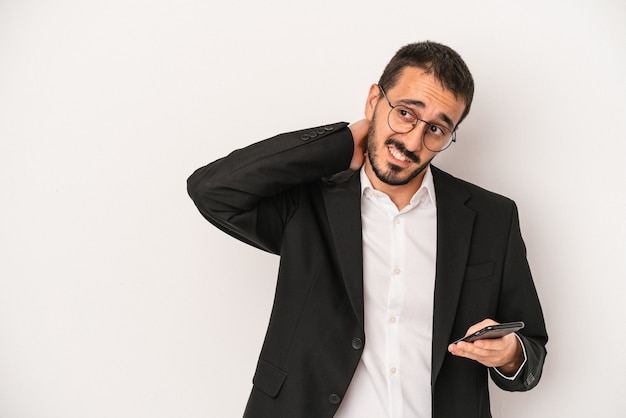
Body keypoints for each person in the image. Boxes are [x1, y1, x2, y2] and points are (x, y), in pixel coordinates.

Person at [187, 41, 548, 418]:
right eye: (405, 112)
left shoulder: (492, 217)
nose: (412, 141)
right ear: (375, 99)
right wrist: (340, 142)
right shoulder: (307, 203)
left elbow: (532, 352)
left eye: (437, 129)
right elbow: (212, 190)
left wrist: (510, 355)